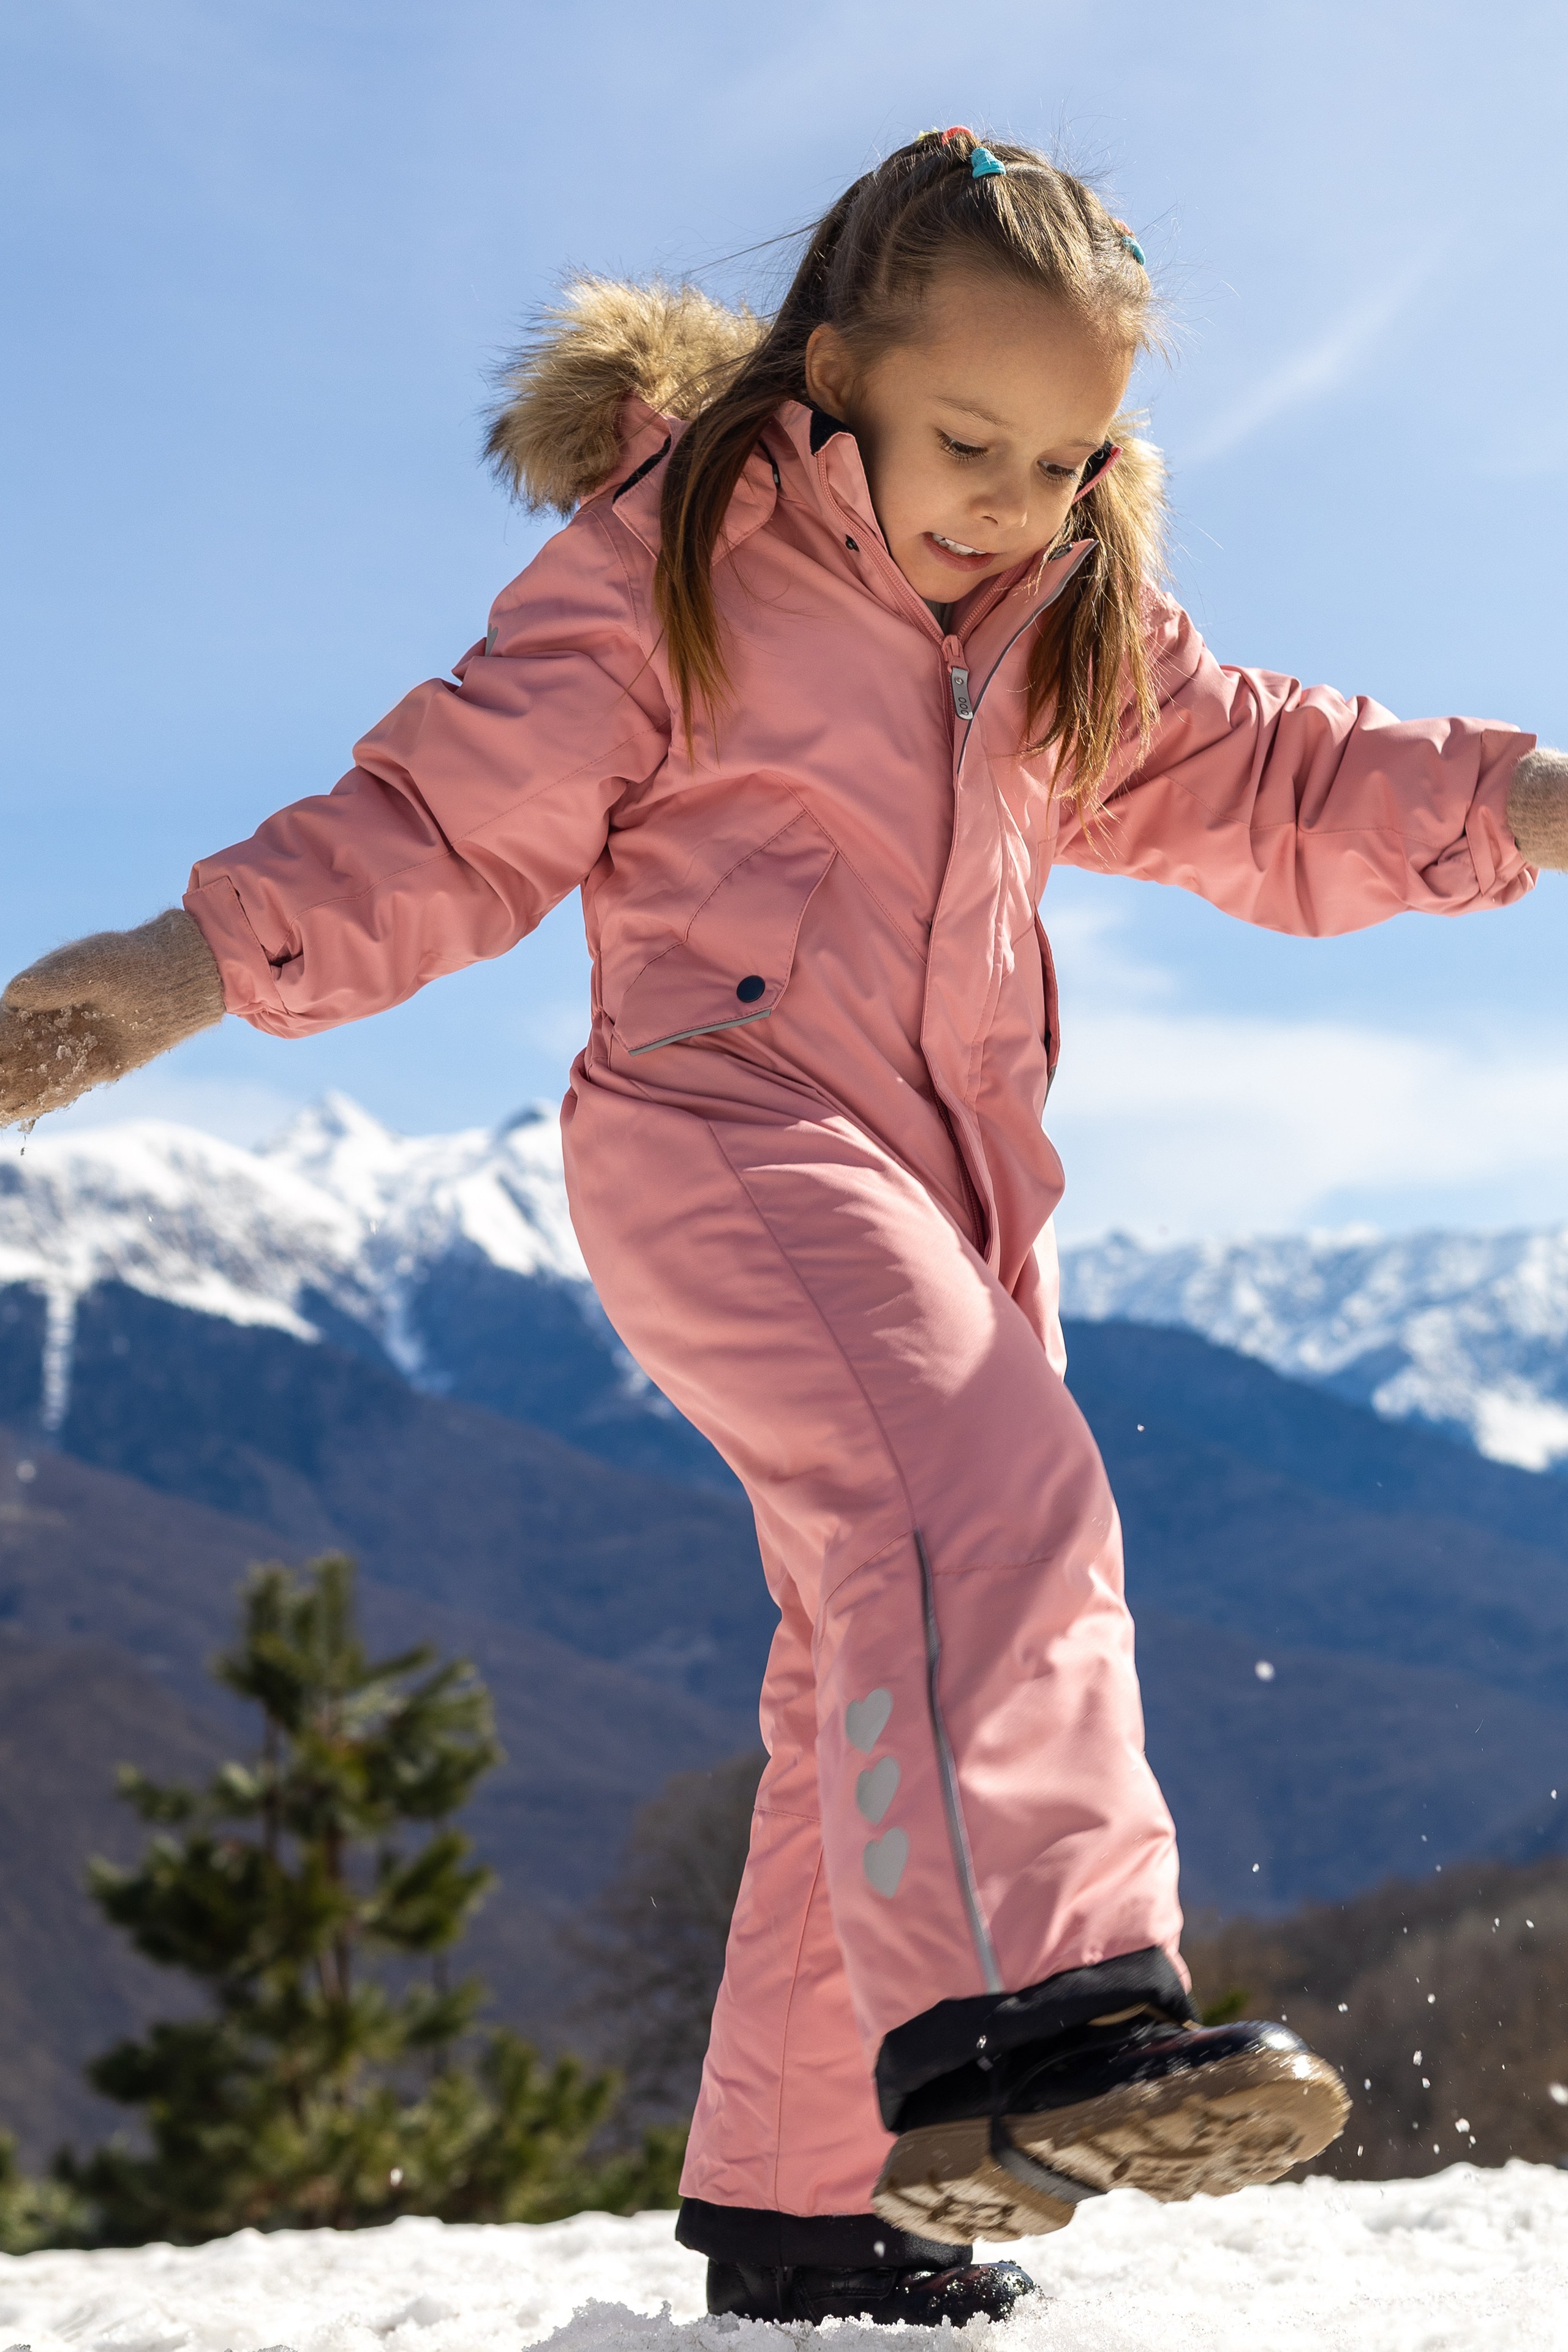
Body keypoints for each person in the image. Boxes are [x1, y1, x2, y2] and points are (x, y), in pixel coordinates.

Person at [4, 127, 1562, 2326]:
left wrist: (1530, 809)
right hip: (723, 1136)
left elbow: (1279, 776)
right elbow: (451, 809)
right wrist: (186, 963)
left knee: (873, 1649)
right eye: (967, 440)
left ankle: (814, 2204)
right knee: (985, 1503)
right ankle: (1049, 2011)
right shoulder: (686, 560)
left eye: (1069, 459)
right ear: (831, 367)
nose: (1012, 501)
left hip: (949, 1199)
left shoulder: (1061, 616)